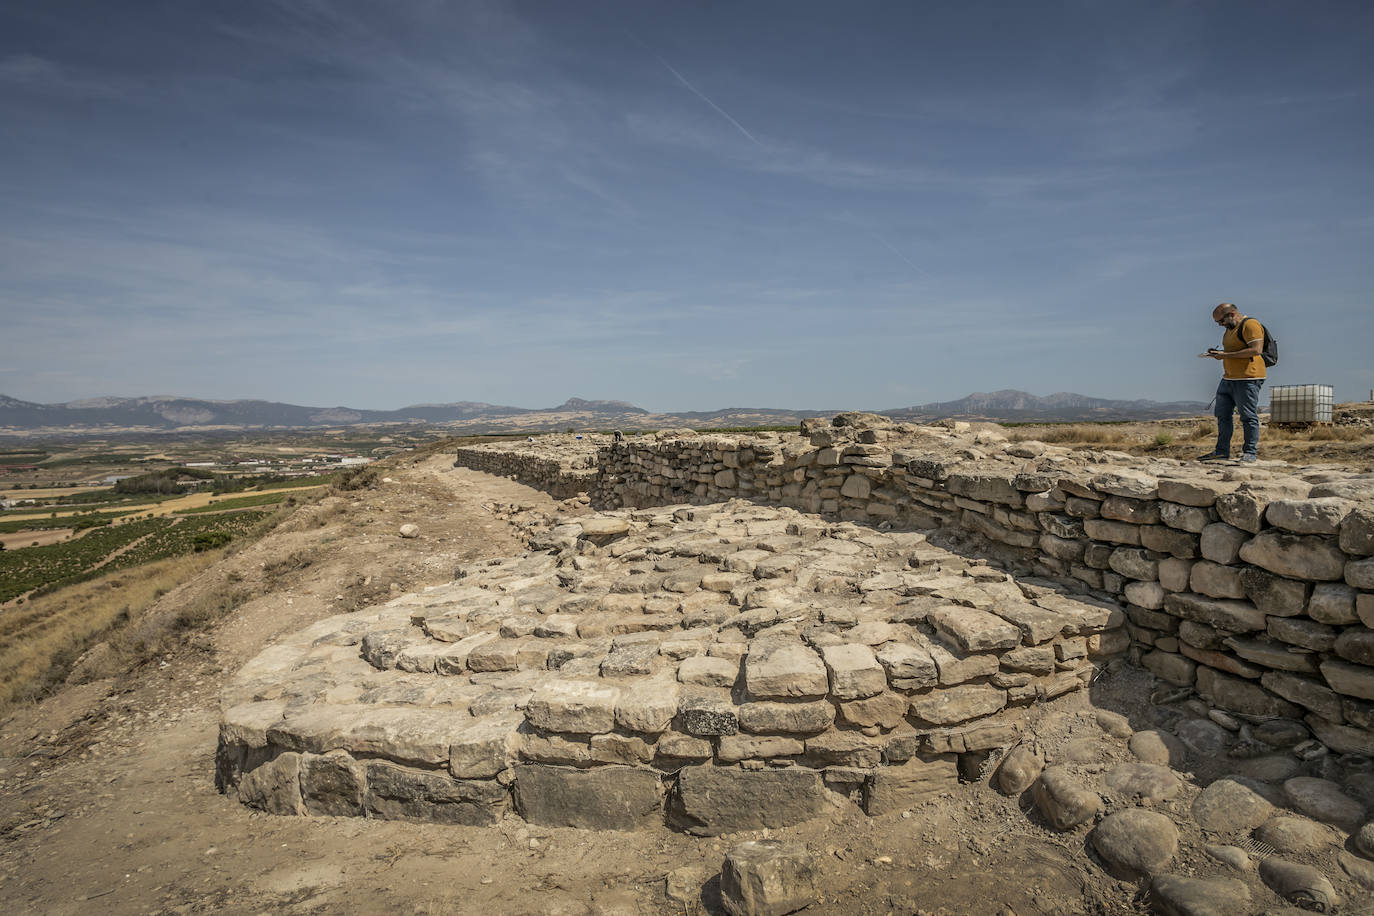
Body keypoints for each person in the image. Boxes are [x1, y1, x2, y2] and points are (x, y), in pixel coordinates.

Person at [1199, 302, 1266, 462]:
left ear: (1232, 314)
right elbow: (1232, 351)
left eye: (1221, 321)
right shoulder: (1228, 331)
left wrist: (1226, 355)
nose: (1220, 325)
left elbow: (1256, 350)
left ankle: (1250, 453)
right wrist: (1218, 353)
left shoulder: (1250, 324)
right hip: (1228, 378)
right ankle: (1221, 451)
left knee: (1248, 416)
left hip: (1248, 378)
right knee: (1222, 415)